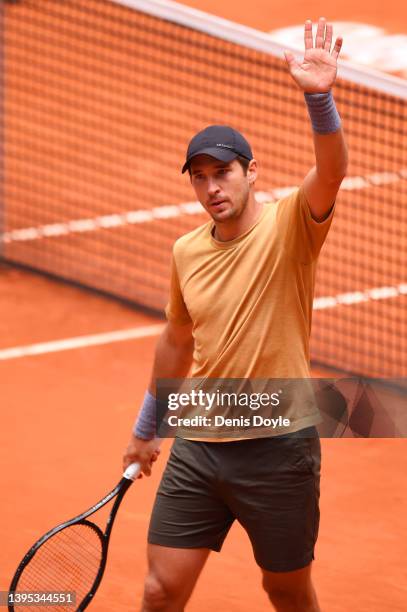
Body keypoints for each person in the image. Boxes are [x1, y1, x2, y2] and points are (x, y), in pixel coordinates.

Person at [124, 17, 348, 612]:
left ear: (252, 171)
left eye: (221, 172)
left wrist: (319, 99)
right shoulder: (187, 250)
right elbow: (176, 340)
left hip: (279, 446)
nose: (210, 188)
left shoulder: (291, 226)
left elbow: (330, 172)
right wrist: (148, 427)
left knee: (286, 590)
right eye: (199, 178)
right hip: (200, 441)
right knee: (159, 589)